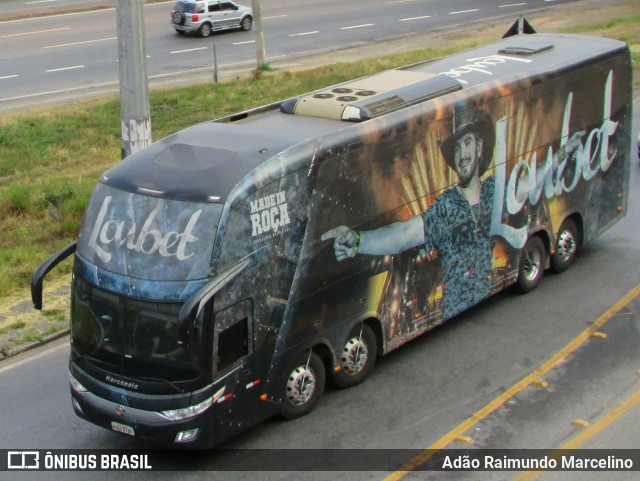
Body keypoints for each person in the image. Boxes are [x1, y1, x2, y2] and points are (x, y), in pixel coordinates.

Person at [322, 101, 498, 319]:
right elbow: (402, 235)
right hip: (456, 310)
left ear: (479, 147)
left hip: (488, 299)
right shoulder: (446, 207)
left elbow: (527, 184)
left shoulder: (495, 190)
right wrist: (358, 240)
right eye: (456, 148)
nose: (462, 155)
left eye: (467, 143)